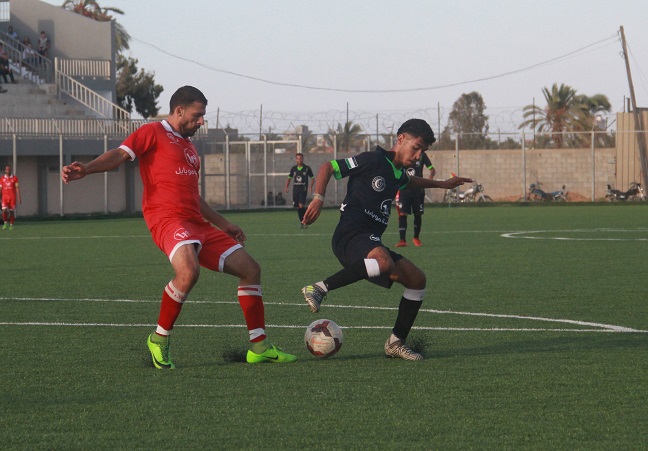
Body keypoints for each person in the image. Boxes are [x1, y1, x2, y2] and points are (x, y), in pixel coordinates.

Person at [61, 86, 296, 369]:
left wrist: (224, 224)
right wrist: (86, 169)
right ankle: (159, 339)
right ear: (179, 110)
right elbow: (119, 155)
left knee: (251, 269)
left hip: (196, 223)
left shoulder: (189, 148)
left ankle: (259, 346)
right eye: (197, 115)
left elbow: (193, 197)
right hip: (167, 219)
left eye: (203, 116)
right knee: (188, 272)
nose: (201, 122)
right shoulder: (152, 132)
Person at [300, 119, 471, 361]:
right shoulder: (373, 160)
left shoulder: (398, 173)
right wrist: (318, 198)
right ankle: (318, 288)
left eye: (423, 151)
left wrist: (442, 184)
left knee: (417, 279)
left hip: (370, 240)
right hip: (350, 235)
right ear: (400, 139)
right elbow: (328, 166)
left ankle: (395, 342)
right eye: (416, 147)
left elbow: (408, 181)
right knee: (383, 262)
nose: (418, 155)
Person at [395, 152, 436, 247]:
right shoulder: (403, 155)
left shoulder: (421, 155)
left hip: (418, 190)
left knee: (417, 214)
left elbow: (432, 170)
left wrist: (430, 178)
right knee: (402, 214)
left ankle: (416, 238)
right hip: (404, 189)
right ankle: (402, 240)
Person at [285, 152, 314, 228]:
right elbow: (289, 178)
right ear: (296, 159)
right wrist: (286, 187)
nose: (299, 160)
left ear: (303, 159)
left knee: (301, 206)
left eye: (301, 158)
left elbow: (312, 178)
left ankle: (304, 221)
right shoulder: (293, 169)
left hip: (303, 190)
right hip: (295, 190)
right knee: (298, 207)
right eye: (298, 158)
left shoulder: (307, 168)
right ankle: (304, 221)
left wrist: (311, 186)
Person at [1, 164, 21, 230]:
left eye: (9, 169)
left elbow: (17, 188)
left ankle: (11, 225)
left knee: (12, 212)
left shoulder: (15, 178)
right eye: (6, 169)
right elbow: (0, 188)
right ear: (5, 170)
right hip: (4, 197)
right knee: (4, 211)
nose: (8, 171)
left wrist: (19, 197)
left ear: (10, 170)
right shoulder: (2, 178)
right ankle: (5, 222)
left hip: (12, 197)